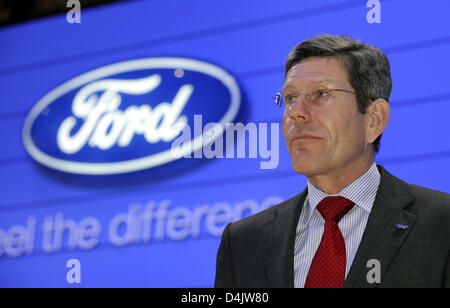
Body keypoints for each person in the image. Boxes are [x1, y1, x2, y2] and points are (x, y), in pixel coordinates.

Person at [214, 34, 450, 288]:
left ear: (374, 120)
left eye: (321, 94)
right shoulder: (242, 241)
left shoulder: (442, 224)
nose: (295, 113)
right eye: (290, 98)